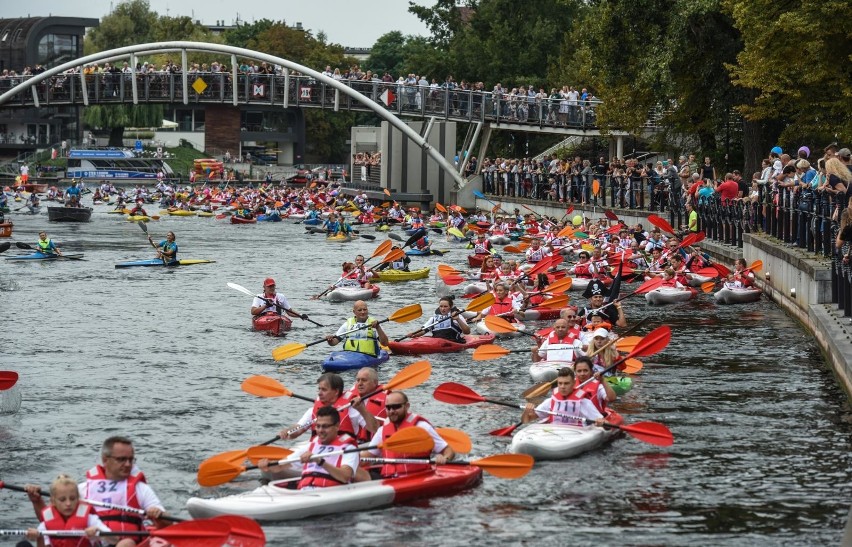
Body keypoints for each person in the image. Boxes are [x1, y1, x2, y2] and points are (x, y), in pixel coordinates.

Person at [261, 406, 359, 489]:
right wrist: (268, 465)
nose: (320, 430)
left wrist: (320, 461)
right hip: (307, 490)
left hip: (330, 491)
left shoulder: (349, 447)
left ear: (337, 426)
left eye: (325, 426)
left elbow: (345, 476)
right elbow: (281, 466)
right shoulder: (311, 446)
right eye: (318, 426)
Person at [362, 390, 454, 479]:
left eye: (396, 407)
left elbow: (448, 450)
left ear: (407, 406)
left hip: (415, 476)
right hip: (388, 477)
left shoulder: (421, 427)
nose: (391, 411)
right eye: (388, 408)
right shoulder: (382, 430)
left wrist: (444, 458)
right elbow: (368, 455)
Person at [279, 372, 376, 442]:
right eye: (319, 389)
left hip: (342, 450)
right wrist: (288, 432)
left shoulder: (352, 409)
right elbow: (298, 429)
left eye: (324, 390)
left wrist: (362, 409)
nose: (319, 393)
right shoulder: (314, 410)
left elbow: (374, 428)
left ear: (336, 391)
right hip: (318, 449)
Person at [23, 474, 111, 547]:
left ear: (78, 499)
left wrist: (99, 531)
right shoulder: (44, 525)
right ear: (53, 501)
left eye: (72, 499)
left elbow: (114, 540)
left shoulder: (91, 519)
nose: (68, 503)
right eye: (62, 499)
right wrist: (39, 537)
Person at [521, 367, 606, 426]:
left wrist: (600, 422)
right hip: (554, 434)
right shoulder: (550, 401)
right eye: (560, 383)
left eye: (566, 383)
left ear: (573, 383)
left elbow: (605, 423)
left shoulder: (584, 403)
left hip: (576, 434)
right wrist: (526, 411)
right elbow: (526, 421)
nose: (562, 386)